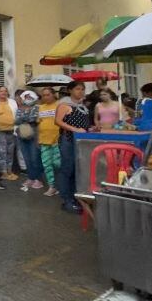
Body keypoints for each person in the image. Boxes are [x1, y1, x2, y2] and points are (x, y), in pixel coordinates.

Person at [55, 81, 92, 214]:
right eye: (77, 89)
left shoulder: (82, 106)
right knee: (67, 169)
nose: (81, 91)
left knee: (77, 170)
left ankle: (75, 197)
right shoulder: (64, 105)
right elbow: (57, 121)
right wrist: (75, 129)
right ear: (70, 90)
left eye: (83, 89)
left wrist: (90, 128)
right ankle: (67, 200)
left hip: (81, 142)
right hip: (68, 140)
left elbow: (84, 123)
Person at [15, 90, 44, 191]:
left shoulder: (37, 107)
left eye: (29, 97)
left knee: (35, 157)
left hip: (34, 135)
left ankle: (38, 179)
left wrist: (25, 115)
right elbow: (17, 120)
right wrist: (26, 116)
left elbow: (34, 118)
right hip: (22, 134)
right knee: (27, 158)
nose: (27, 99)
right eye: (26, 97)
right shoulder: (19, 108)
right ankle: (31, 177)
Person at [37, 87, 61, 197]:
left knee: (58, 164)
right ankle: (52, 186)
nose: (46, 97)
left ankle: (61, 185)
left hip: (57, 141)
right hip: (44, 140)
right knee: (47, 165)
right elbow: (39, 123)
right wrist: (38, 138)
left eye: (48, 95)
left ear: (53, 94)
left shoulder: (59, 106)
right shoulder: (41, 107)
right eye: (44, 95)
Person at [0, 86, 18, 181]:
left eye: (5, 91)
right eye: (1, 91)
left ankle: (9, 171)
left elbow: (16, 114)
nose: (3, 93)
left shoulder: (13, 102)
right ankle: (3, 172)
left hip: (11, 130)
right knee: (2, 152)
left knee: (10, 152)